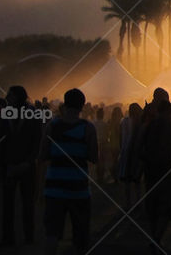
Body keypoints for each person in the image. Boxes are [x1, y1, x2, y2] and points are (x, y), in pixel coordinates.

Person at [42, 88, 98, 255]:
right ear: (82, 107)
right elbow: (94, 157)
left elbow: (42, 155)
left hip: (54, 187)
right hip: (78, 189)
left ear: (65, 105)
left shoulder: (52, 126)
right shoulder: (88, 128)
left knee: (52, 233)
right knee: (80, 237)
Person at [0, 85, 41, 247]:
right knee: (8, 204)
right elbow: (2, 140)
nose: (8, 98)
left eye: (10, 95)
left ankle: (28, 236)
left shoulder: (31, 114)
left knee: (27, 204)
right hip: (10, 164)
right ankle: (8, 237)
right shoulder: (7, 113)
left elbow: (36, 140)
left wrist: (29, 162)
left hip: (26, 165)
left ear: (18, 96)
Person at [141, 98, 171, 252]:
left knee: (153, 204)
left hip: (151, 170)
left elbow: (141, 148)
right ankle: (157, 237)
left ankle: (154, 236)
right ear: (170, 112)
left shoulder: (147, 126)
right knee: (165, 205)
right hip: (167, 170)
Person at [119, 102, 143, 205]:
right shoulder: (139, 123)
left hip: (125, 151)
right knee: (136, 180)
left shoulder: (124, 121)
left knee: (127, 180)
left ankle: (128, 202)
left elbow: (121, 137)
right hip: (136, 153)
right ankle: (138, 201)